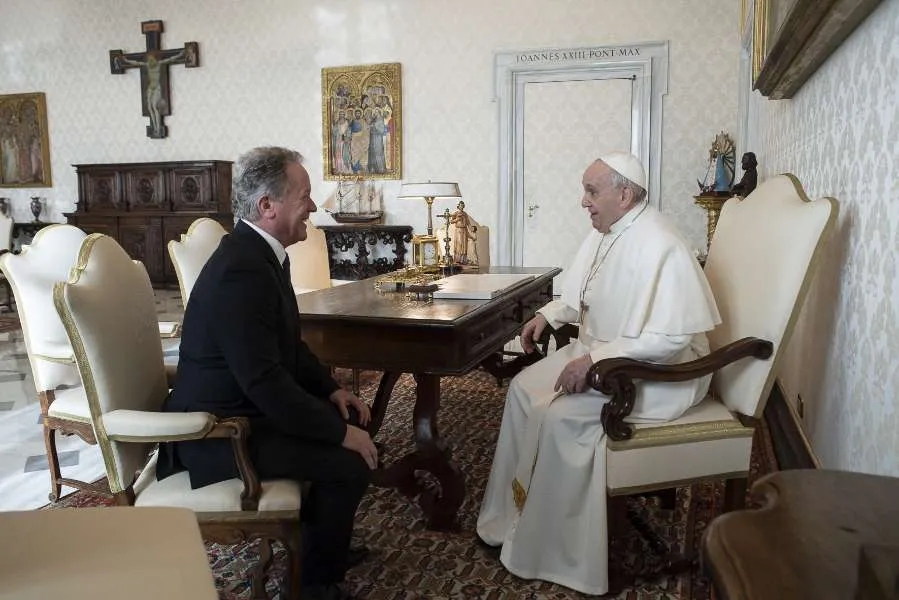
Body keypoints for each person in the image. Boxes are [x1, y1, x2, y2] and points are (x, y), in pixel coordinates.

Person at [476, 151, 721, 596]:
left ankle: (557, 551)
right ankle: (510, 519)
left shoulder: (660, 242)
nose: (583, 201)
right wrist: (549, 315)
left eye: (592, 191)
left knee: (559, 417)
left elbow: (669, 339)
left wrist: (593, 362)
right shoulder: (609, 230)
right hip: (604, 355)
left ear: (624, 194)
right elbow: (584, 289)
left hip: (658, 372)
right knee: (520, 389)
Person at [159, 146, 377, 600]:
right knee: (349, 460)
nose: (314, 207)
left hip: (248, 410)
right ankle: (315, 586)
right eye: (305, 197)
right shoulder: (241, 269)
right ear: (267, 206)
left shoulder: (262, 255)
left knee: (356, 421)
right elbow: (265, 383)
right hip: (218, 434)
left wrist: (333, 390)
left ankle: (321, 543)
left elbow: (288, 348)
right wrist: (338, 436)